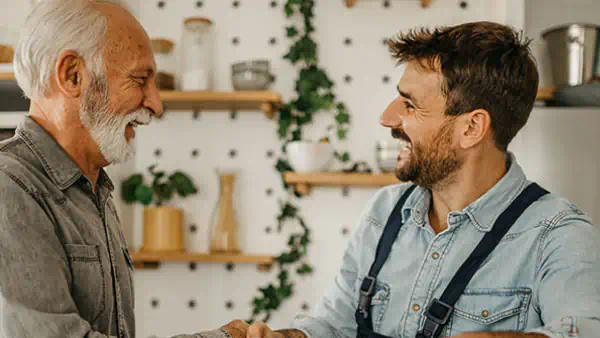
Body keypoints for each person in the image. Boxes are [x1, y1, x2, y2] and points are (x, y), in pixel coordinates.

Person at [214, 21, 600, 338]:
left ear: (472, 128)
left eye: (410, 105)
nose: (387, 117)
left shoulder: (558, 233)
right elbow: (336, 325)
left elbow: (585, 329)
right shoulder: (386, 210)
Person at [0, 1, 224, 337]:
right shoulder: (10, 188)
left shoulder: (93, 189)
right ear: (72, 75)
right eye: (139, 79)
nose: (156, 104)